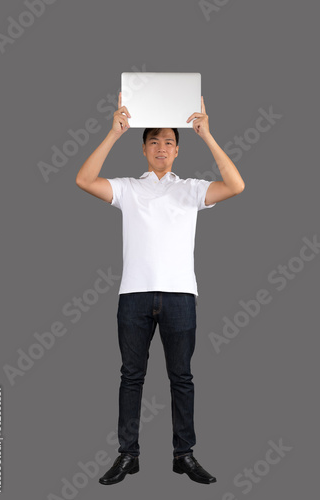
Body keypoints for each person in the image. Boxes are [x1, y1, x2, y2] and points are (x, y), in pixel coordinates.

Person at [75, 92, 245, 485]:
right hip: (133, 295)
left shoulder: (191, 189)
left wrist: (207, 134)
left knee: (181, 377)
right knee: (131, 376)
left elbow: (235, 185)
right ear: (144, 148)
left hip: (180, 295)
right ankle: (128, 455)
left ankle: (183, 455)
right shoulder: (129, 189)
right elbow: (84, 179)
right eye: (154, 141)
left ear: (178, 150)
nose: (162, 148)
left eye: (169, 141)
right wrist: (114, 132)